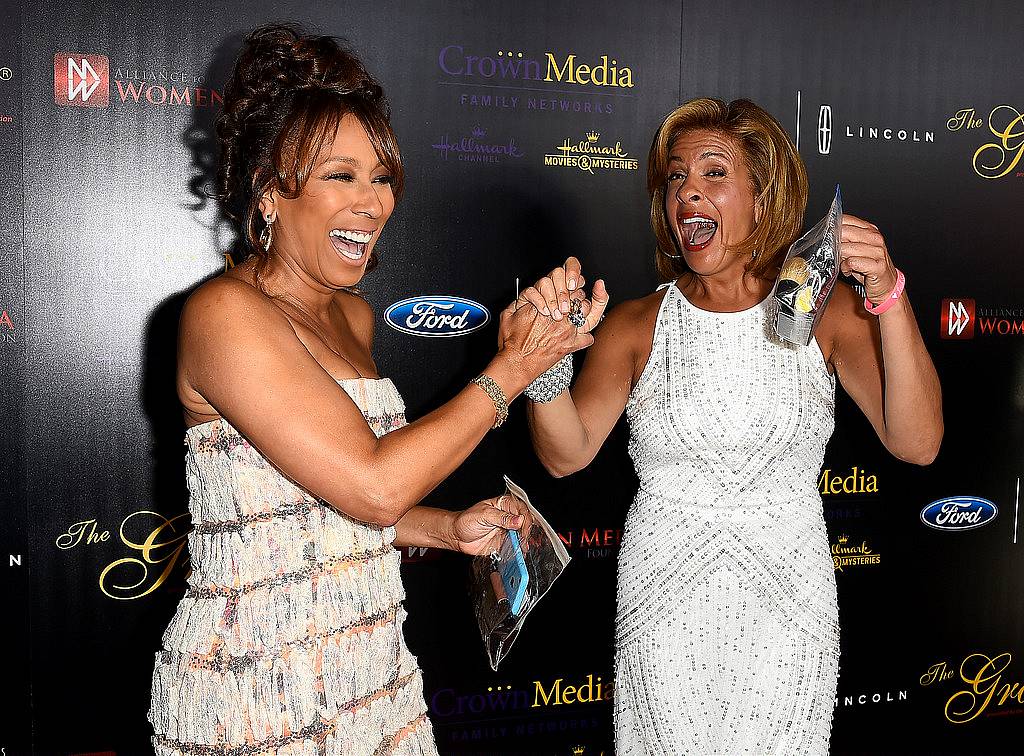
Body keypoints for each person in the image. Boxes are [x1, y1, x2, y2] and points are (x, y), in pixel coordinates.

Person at [148, 24, 597, 755]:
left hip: (373, 677)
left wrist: (444, 529)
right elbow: (372, 484)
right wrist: (512, 367)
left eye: (381, 177)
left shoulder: (353, 316)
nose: (372, 202)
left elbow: (323, 503)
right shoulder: (223, 315)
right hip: (259, 692)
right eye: (340, 176)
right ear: (269, 193)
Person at [521, 98, 942, 754]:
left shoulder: (824, 315)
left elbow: (917, 442)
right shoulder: (636, 323)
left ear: (763, 196)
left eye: (713, 173)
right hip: (663, 612)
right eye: (674, 179)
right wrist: (542, 368)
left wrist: (888, 292)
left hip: (788, 612)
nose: (687, 190)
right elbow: (564, 456)